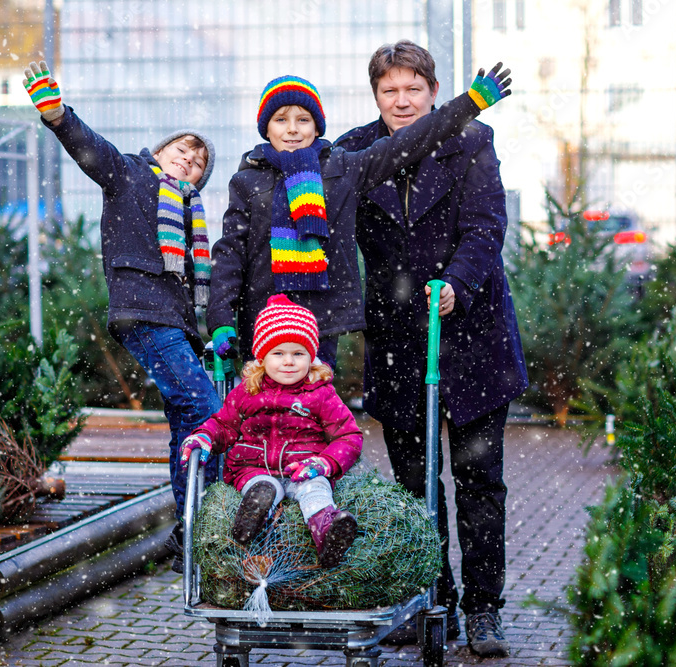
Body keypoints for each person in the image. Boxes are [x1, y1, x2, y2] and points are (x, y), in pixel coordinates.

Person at [333, 40, 528, 658]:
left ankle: (484, 609)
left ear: (434, 91)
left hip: (471, 337)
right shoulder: (356, 149)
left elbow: (485, 226)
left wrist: (460, 282)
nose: (402, 100)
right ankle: (433, 599)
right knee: (414, 485)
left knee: (478, 481)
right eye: (390, 90)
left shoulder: (472, 141)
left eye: (413, 88)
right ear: (376, 97)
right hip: (396, 343)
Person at [23, 61, 220, 572]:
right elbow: (92, 151)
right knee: (206, 411)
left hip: (173, 325)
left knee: (187, 425)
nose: (190, 160)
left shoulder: (191, 215)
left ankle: (191, 539)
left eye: (199, 162)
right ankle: (209, 529)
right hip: (142, 314)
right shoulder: (130, 174)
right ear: (159, 152)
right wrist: (58, 115)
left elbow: (202, 285)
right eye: (184, 149)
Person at [206, 67, 511, 371]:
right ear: (267, 128)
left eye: (303, 119)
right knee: (264, 413)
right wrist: (220, 319)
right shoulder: (246, 181)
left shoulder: (342, 169)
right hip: (263, 319)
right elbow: (230, 253)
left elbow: (408, 143)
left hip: (319, 321)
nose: (292, 129)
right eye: (281, 120)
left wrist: (469, 103)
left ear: (316, 126)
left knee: (313, 410)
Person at [180, 295, 362, 567]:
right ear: (262, 358)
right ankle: (254, 517)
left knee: (315, 491)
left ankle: (328, 533)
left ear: (311, 358)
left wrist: (324, 462)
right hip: (253, 467)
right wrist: (205, 437)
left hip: (302, 468)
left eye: (298, 353)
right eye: (279, 353)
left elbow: (348, 436)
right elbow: (224, 424)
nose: (289, 362)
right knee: (263, 487)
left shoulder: (320, 394)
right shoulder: (248, 391)